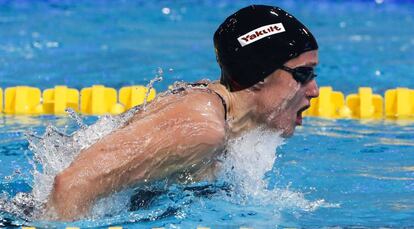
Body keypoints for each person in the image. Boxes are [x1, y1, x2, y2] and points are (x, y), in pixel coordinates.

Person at [45, 5, 319, 220]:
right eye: (302, 74)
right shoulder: (202, 129)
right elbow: (71, 185)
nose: (314, 90)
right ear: (259, 73)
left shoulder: (221, 116)